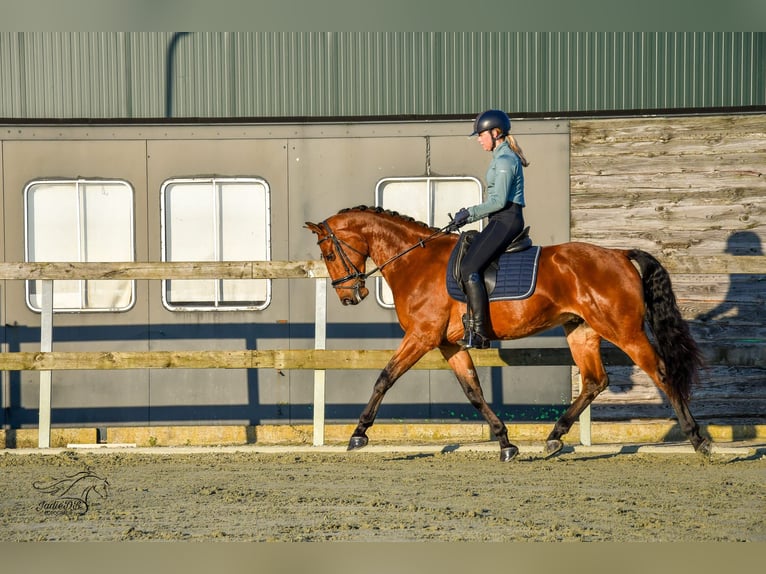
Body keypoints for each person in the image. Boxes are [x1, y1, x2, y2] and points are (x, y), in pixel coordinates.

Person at [450, 109, 529, 349]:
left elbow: (498, 202)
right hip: (499, 219)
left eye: (481, 134)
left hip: (506, 219)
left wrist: (469, 213)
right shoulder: (500, 158)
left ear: (496, 133)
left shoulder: (505, 161)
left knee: (469, 266)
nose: (478, 139)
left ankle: (479, 331)